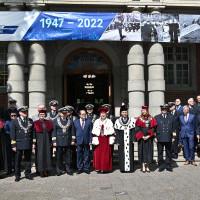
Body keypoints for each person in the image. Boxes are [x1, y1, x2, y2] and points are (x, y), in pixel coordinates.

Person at [10, 106, 34, 182]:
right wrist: (13, 145)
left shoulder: (30, 120)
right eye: (23, 112)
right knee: (17, 161)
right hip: (19, 143)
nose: (25, 113)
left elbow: (33, 133)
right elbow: (12, 134)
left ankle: (28, 174)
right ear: (19, 113)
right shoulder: (15, 121)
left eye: (26, 111)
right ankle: (17, 175)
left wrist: (33, 142)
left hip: (28, 143)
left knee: (28, 160)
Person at [52, 107, 74, 176]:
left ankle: (68, 169)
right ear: (60, 113)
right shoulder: (55, 121)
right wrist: (54, 141)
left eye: (65, 113)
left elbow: (72, 131)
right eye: (63, 113)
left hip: (67, 141)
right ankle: (59, 170)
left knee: (68, 157)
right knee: (59, 157)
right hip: (59, 141)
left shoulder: (70, 120)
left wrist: (73, 140)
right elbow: (54, 132)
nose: (64, 114)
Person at [154, 104, 176, 172]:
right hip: (160, 137)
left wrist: (174, 136)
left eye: (165, 109)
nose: (164, 110)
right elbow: (154, 129)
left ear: (167, 110)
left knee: (168, 153)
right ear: (161, 110)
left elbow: (174, 128)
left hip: (168, 137)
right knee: (160, 153)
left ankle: (168, 166)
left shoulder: (171, 117)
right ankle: (161, 166)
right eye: (163, 109)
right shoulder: (156, 117)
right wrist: (155, 137)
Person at [92, 108, 115, 173]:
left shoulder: (109, 121)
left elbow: (112, 131)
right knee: (98, 154)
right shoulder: (96, 121)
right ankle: (99, 168)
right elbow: (94, 130)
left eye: (104, 114)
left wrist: (106, 132)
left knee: (105, 155)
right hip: (98, 140)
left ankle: (105, 168)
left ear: (106, 114)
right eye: (102, 114)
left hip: (106, 139)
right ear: (100, 114)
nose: (103, 115)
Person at [135, 106, 157, 173]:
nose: (143, 112)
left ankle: (147, 166)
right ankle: (143, 166)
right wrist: (142, 136)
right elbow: (137, 129)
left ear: (147, 111)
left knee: (148, 152)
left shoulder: (151, 118)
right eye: (142, 110)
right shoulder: (139, 119)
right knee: (142, 152)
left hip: (148, 139)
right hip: (141, 139)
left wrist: (149, 136)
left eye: (144, 110)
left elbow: (153, 128)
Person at [114, 107, 136, 173]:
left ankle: (130, 168)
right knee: (121, 154)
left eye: (125, 112)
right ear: (121, 113)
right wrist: (117, 141)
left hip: (129, 140)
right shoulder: (118, 121)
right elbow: (116, 132)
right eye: (123, 112)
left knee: (130, 154)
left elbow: (133, 131)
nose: (124, 113)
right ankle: (122, 168)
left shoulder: (131, 120)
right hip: (121, 140)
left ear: (127, 113)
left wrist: (133, 139)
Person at [33, 109, 53, 178]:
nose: (42, 116)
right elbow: (34, 134)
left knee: (47, 155)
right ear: (39, 115)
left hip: (47, 141)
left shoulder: (48, 122)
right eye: (41, 115)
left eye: (43, 115)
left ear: (45, 115)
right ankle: (40, 170)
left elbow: (50, 133)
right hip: (39, 142)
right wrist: (34, 143)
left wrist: (51, 141)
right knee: (40, 156)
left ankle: (46, 170)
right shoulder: (35, 123)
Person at [72, 110, 93, 174]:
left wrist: (90, 140)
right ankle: (80, 168)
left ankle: (86, 168)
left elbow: (90, 132)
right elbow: (73, 132)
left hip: (86, 141)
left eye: (85, 114)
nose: (84, 115)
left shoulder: (89, 122)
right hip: (78, 141)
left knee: (87, 155)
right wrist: (74, 141)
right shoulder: (75, 122)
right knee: (79, 155)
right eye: (83, 114)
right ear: (79, 115)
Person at [66, 105, 78, 170]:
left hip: (74, 137)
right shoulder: (64, 117)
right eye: (67, 111)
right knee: (67, 153)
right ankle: (68, 166)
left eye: (70, 111)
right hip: (66, 138)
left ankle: (74, 165)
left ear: (72, 111)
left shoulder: (75, 118)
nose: (68, 112)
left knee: (74, 152)